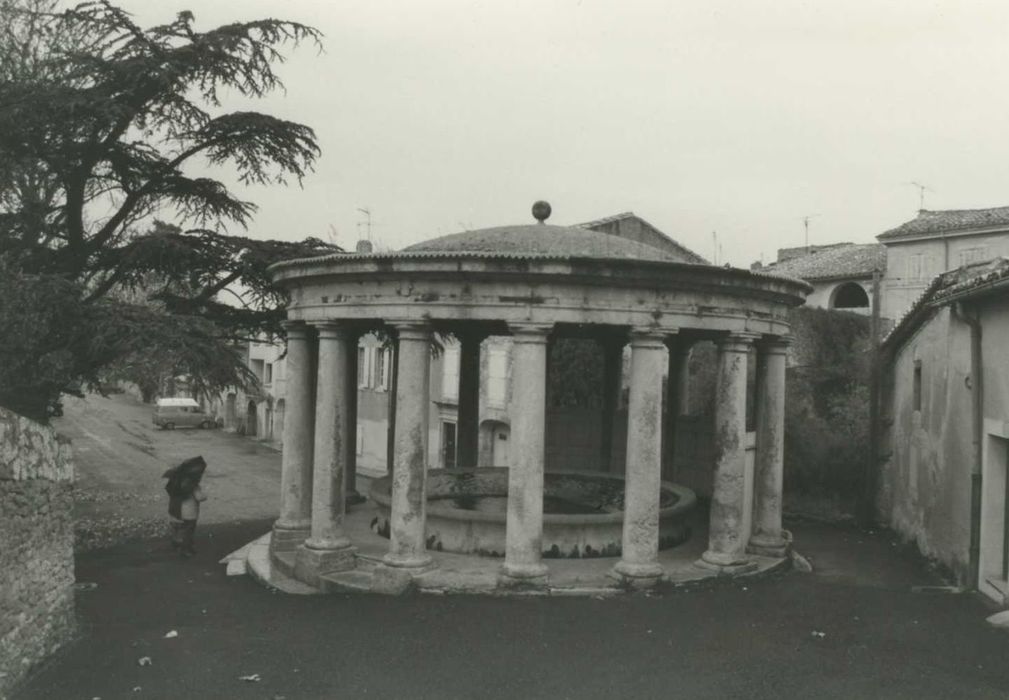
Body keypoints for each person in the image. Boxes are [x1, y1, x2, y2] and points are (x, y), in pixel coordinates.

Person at [177, 483, 207, 557]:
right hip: (191, 512)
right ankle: (186, 549)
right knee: (189, 531)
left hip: (181, 510)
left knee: (185, 530)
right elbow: (199, 497)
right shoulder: (193, 486)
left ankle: (186, 548)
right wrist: (205, 496)